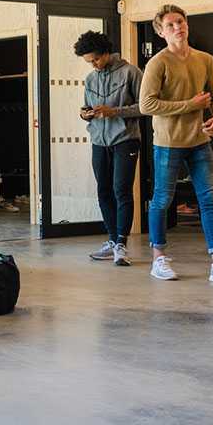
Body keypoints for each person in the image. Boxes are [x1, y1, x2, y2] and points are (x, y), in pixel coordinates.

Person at [140, 5, 213, 285]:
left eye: (181, 21)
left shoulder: (205, 60)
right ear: (161, 32)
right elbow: (146, 104)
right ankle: (158, 259)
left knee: (210, 201)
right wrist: (191, 105)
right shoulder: (158, 63)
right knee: (162, 201)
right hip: (168, 143)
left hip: (200, 141)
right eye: (171, 25)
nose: (178, 27)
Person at [74, 30, 143, 266]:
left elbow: (146, 106)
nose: (93, 65)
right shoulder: (91, 79)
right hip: (98, 141)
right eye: (89, 62)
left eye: (95, 59)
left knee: (121, 190)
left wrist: (115, 112)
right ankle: (112, 240)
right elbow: (86, 107)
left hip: (125, 139)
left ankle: (122, 244)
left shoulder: (131, 72)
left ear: (106, 52)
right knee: (103, 190)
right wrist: (85, 114)